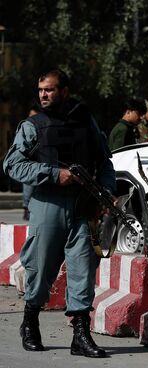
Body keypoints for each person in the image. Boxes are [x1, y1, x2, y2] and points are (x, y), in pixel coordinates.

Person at [3, 68, 115, 358]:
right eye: (40, 90)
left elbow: (104, 162)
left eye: (49, 89)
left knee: (83, 269)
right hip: (47, 204)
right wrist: (54, 174)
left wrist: (105, 190)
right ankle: (30, 322)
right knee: (39, 268)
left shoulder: (86, 122)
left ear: (64, 91)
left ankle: (80, 334)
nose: (43, 94)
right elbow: (12, 165)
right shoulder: (33, 126)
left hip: (83, 206)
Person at [21, 105, 40, 222]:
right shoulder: (26, 127)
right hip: (29, 163)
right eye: (30, 116)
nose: (31, 118)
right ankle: (26, 209)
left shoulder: (43, 127)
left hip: (40, 163)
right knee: (28, 185)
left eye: (33, 116)